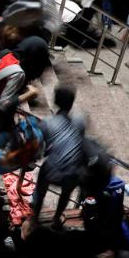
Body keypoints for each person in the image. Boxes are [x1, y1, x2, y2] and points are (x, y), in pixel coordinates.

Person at [29, 85, 87, 229]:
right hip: (73, 173)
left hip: (52, 171)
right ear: (71, 103)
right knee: (66, 191)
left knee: (40, 185)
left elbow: (37, 150)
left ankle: (35, 218)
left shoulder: (47, 123)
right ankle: (56, 219)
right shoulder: (80, 121)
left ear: (55, 101)